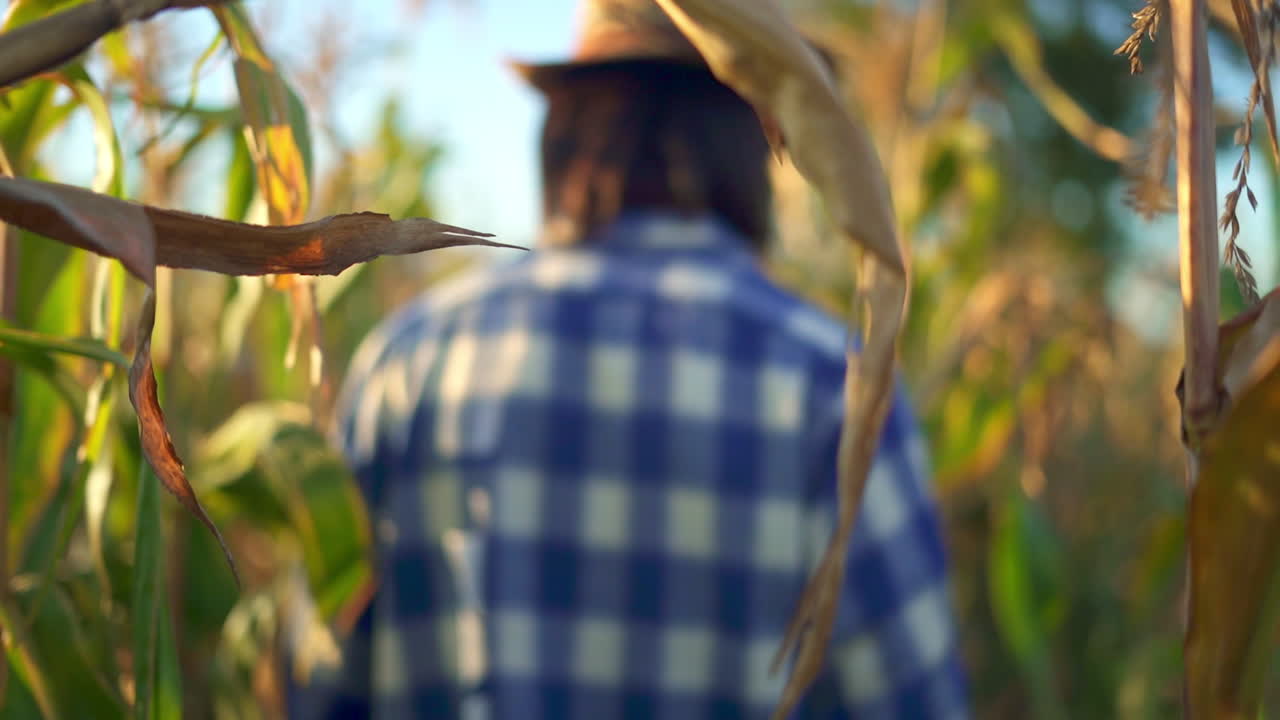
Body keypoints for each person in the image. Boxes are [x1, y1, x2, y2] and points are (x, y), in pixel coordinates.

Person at [289, 1, 968, 717]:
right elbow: (910, 699)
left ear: (565, 131)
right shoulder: (836, 386)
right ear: (748, 142)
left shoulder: (408, 364)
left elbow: (320, 684)